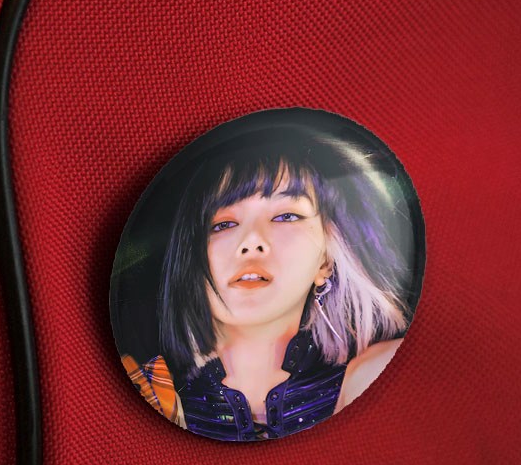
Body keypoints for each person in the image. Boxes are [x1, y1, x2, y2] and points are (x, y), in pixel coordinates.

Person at [127, 121, 416, 441]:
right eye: (223, 224)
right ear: (190, 259)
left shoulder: (383, 374)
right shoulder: (142, 394)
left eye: (285, 216)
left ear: (326, 260)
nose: (251, 241)